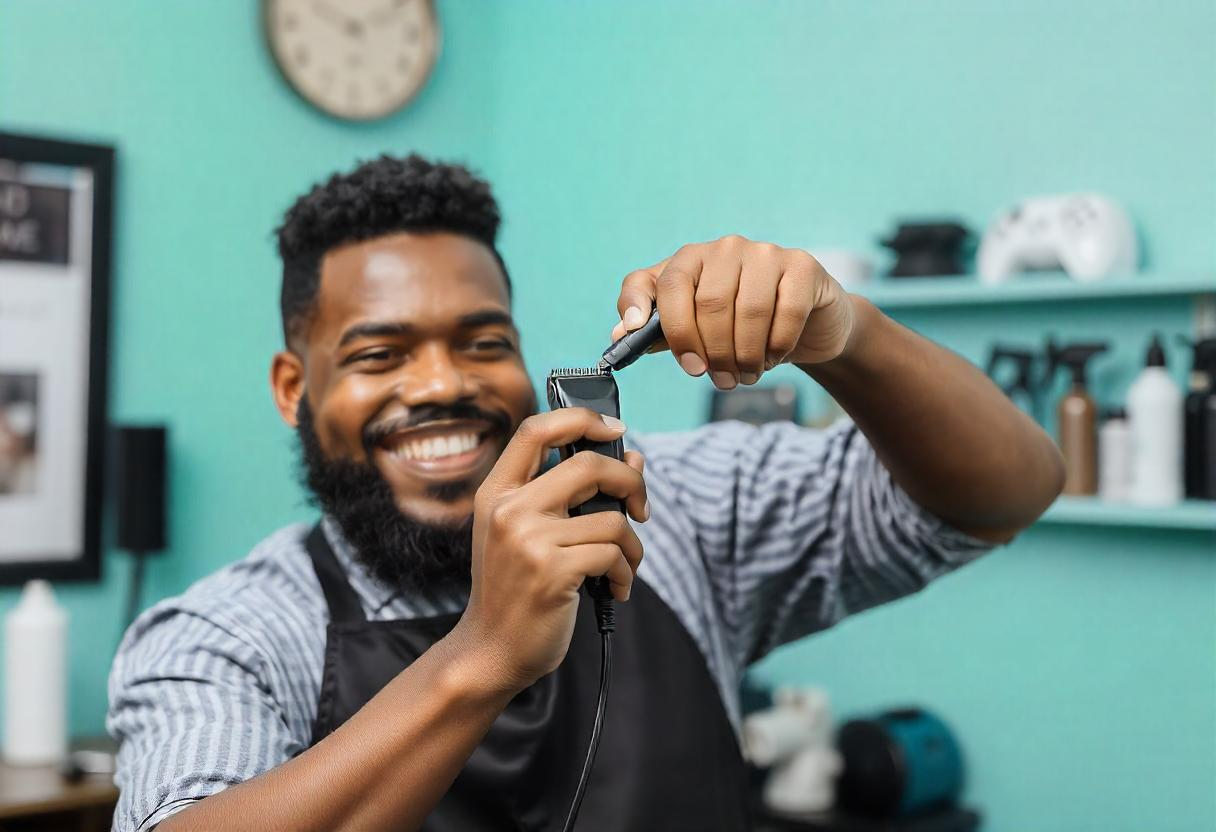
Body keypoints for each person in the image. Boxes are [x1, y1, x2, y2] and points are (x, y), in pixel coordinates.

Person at [107, 154, 1064, 831]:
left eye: (483, 341)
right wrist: (482, 655)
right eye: (380, 354)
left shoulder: (672, 508)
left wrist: (846, 335)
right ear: (293, 388)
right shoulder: (229, 634)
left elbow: (1007, 492)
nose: (442, 383)